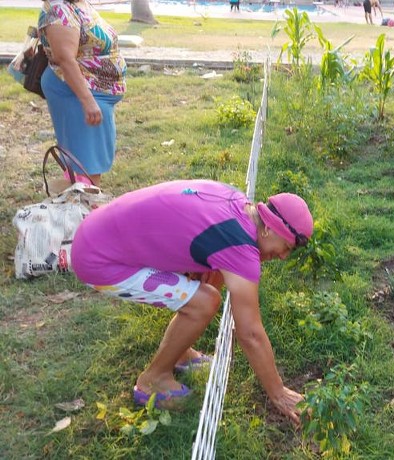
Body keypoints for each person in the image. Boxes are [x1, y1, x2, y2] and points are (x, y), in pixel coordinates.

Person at [71, 180, 314, 424]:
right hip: (98, 262)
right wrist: (278, 393)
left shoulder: (237, 202)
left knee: (207, 285)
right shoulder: (239, 247)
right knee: (204, 302)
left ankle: (180, 352)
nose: (283, 257)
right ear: (268, 229)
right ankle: (153, 380)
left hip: (94, 232)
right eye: (286, 247)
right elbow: (250, 333)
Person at [38, 0, 126, 187]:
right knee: (86, 161)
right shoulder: (59, 9)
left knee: (84, 158)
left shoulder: (79, 4)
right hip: (76, 93)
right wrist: (88, 101)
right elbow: (65, 59)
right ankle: (84, 207)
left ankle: (78, 203)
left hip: (90, 93)